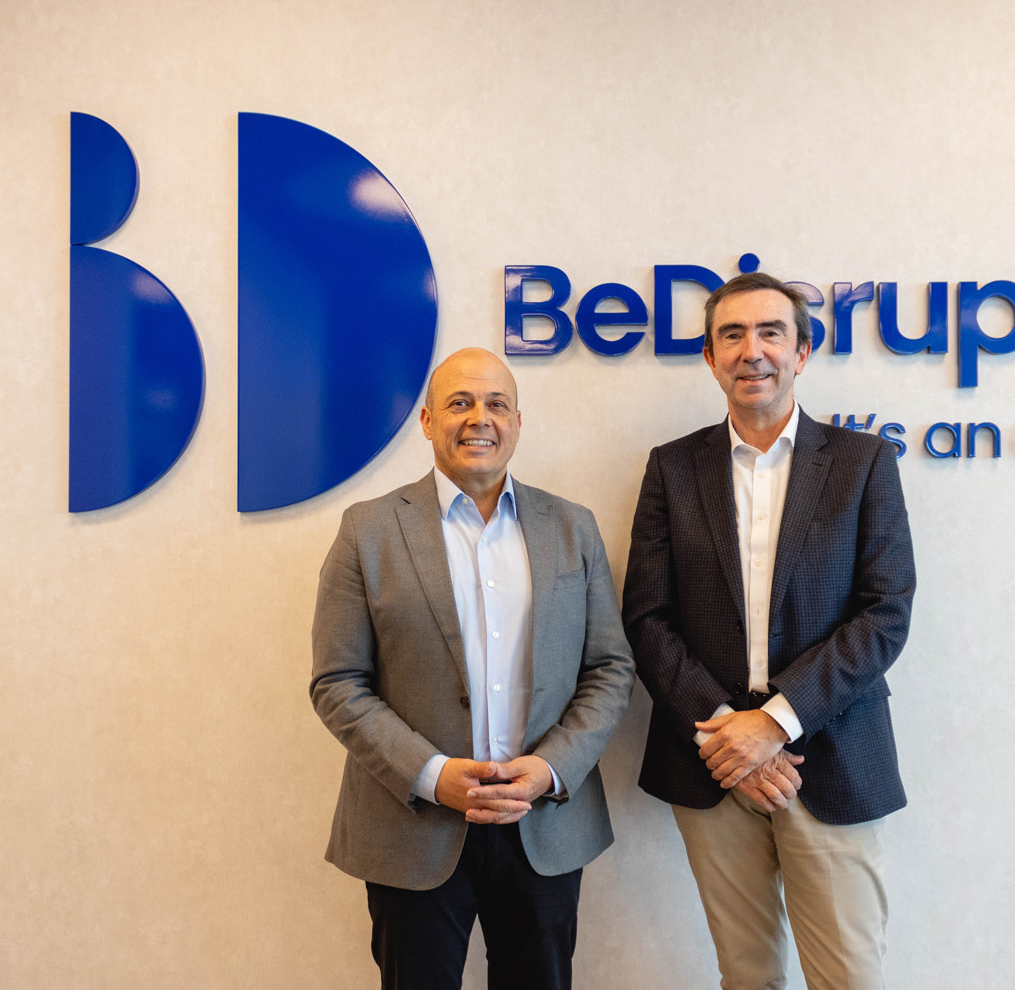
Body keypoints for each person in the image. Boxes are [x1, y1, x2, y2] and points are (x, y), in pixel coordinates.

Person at [623, 272, 916, 990]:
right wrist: (730, 735)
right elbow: (647, 617)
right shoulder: (671, 468)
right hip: (711, 761)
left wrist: (774, 724)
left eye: (770, 333)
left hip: (833, 757)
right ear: (709, 357)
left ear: (802, 352)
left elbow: (885, 612)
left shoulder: (863, 463)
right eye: (732, 335)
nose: (750, 351)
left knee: (849, 979)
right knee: (746, 977)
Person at [310, 347, 635, 990]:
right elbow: (338, 683)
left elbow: (609, 668)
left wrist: (550, 769)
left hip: (544, 821)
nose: (478, 418)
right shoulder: (367, 530)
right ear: (428, 420)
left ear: (517, 421)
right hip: (414, 825)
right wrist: (433, 776)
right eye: (459, 403)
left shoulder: (573, 528)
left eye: (496, 404)